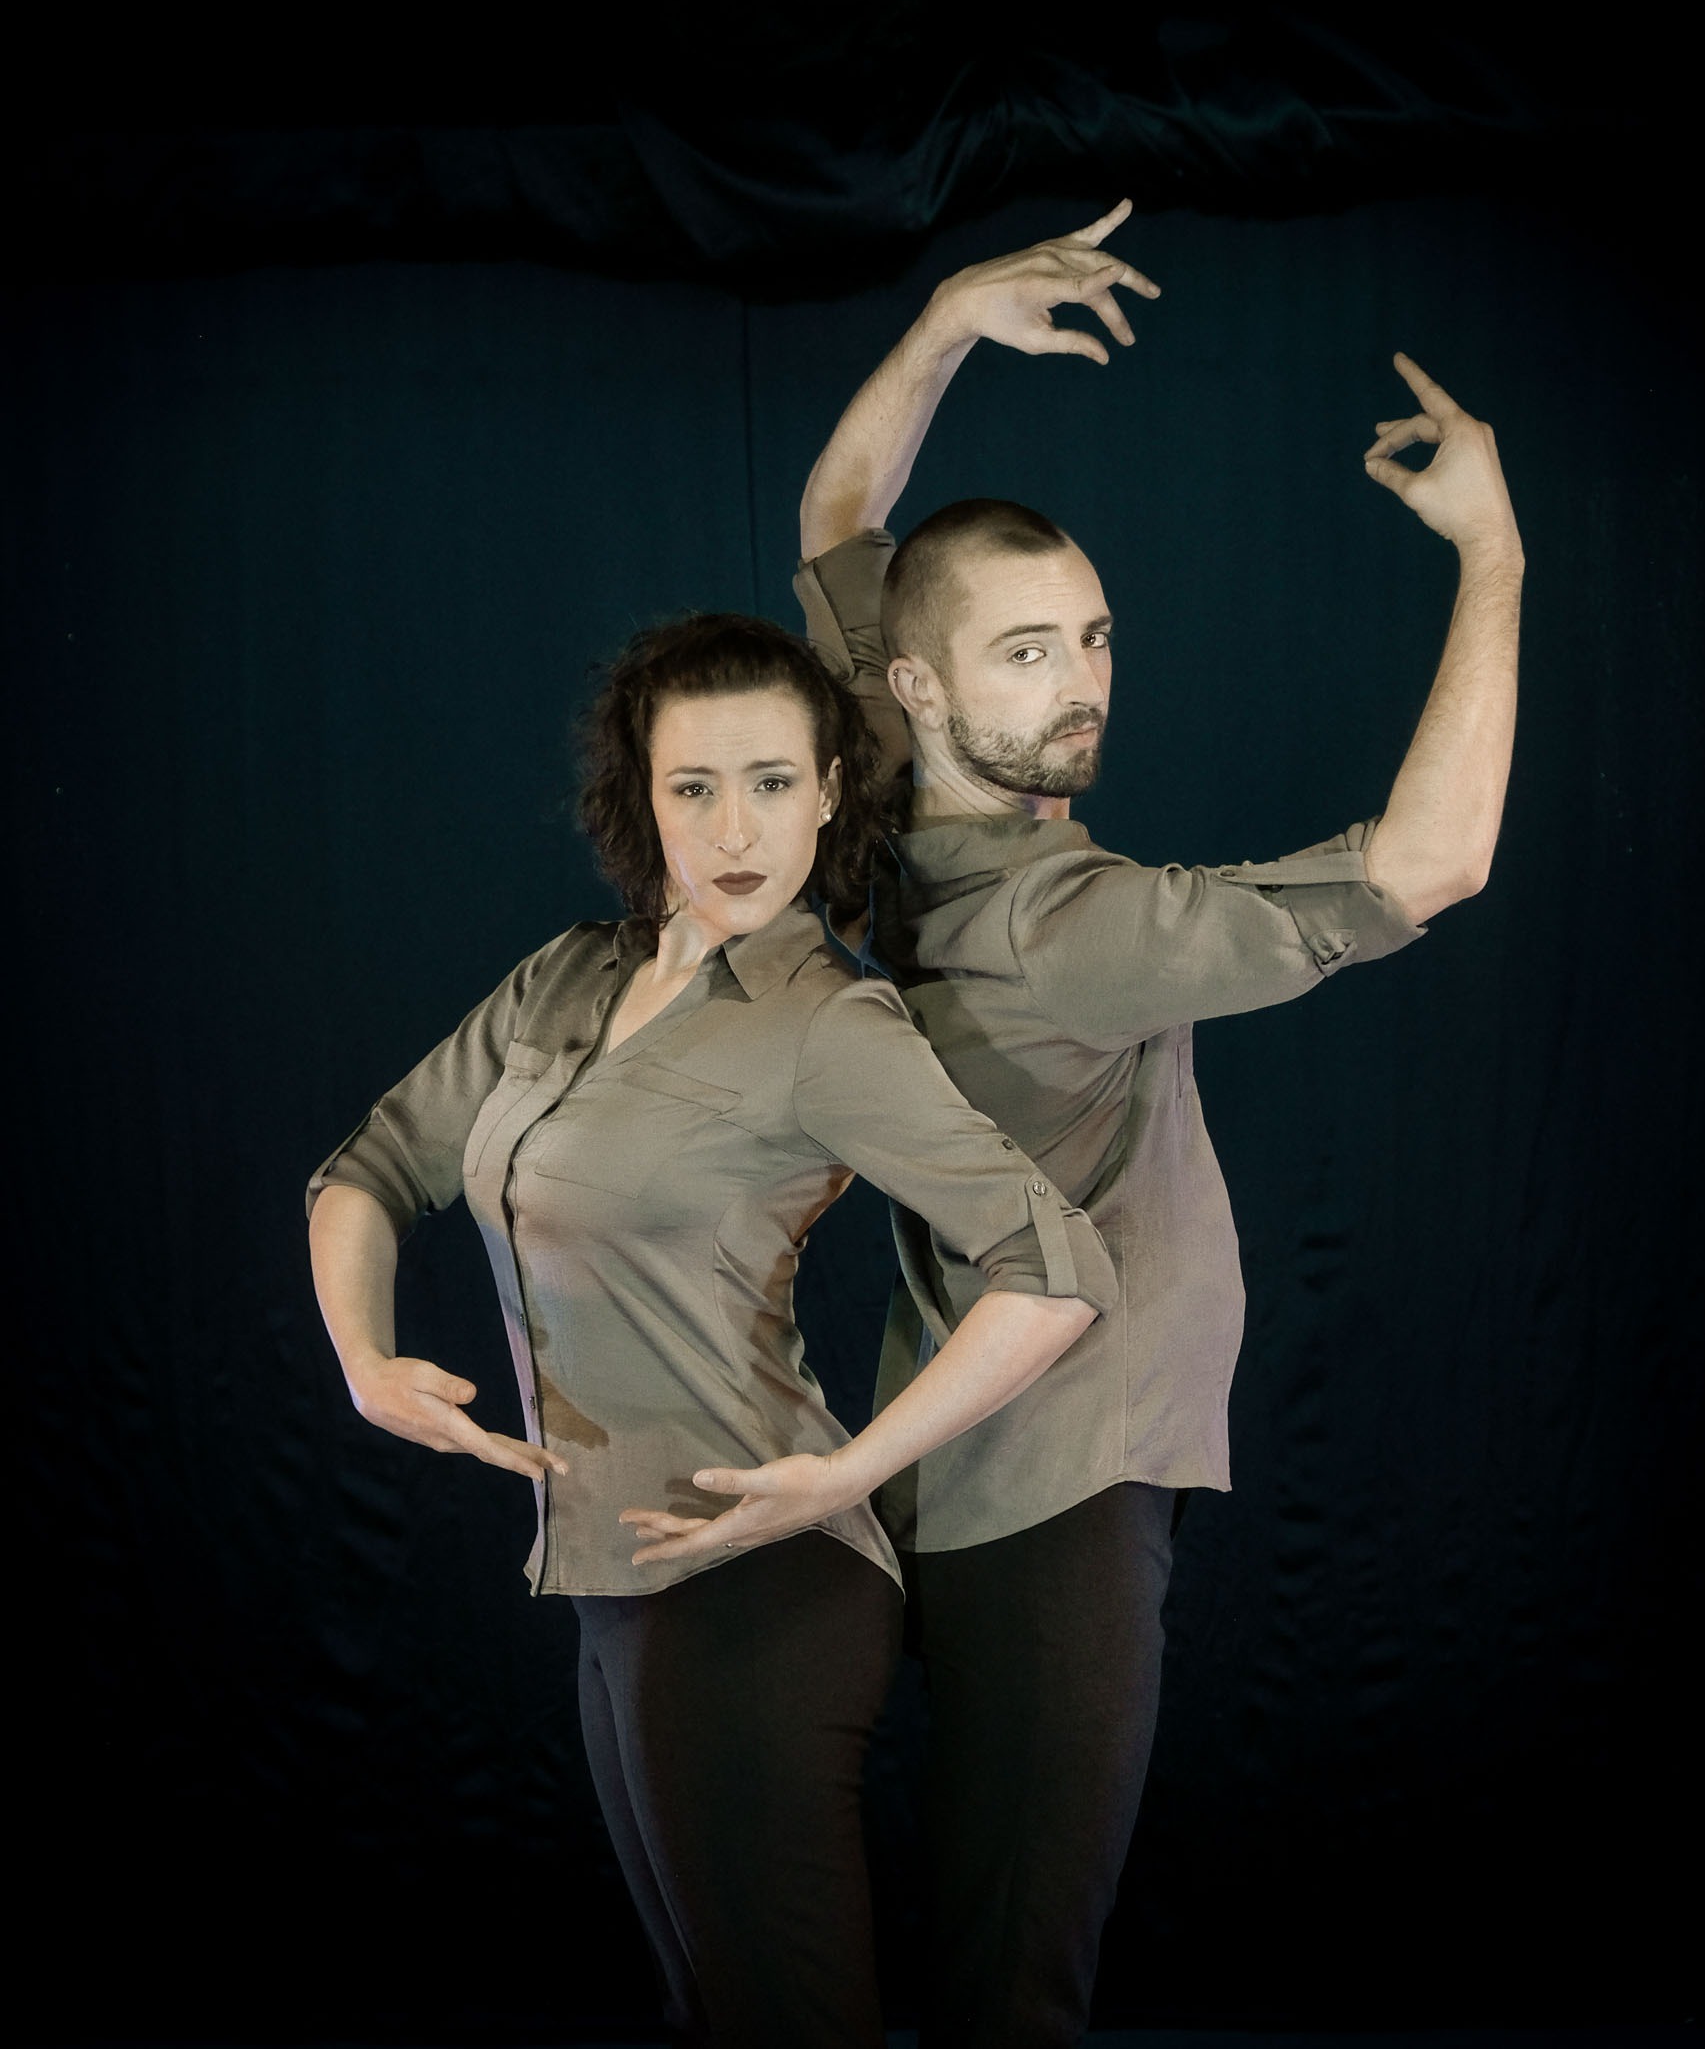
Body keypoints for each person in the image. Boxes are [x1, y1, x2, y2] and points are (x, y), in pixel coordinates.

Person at [793, 202, 1522, 2044]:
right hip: (1061, 1487)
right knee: (1016, 1983)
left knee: (975, 1955)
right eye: (1029, 652)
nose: (1084, 682)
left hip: (948, 1453)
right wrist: (1494, 556)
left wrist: (946, 318)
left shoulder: (883, 786)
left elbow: (840, 520)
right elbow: (1433, 863)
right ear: (924, 684)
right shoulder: (1070, 927)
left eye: (1095, 637)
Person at [305, 613, 1117, 2049]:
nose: (735, 830)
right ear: (644, 796)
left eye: (771, 782)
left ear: (829, 791)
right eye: (694, 787)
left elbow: (1056, 1270)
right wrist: (366, 1363)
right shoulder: (568, 978)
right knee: (714, 2014)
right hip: (616, 1582)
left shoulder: (831, 1026)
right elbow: (369, 1169)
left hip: (757, 1589)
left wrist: (851, 1472)